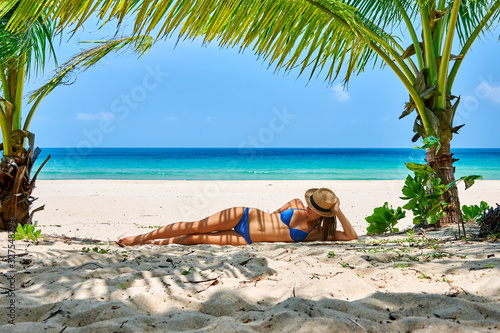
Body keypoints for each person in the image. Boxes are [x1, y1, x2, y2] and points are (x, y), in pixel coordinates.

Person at [117, 188, 357, 247]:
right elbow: (272, 215)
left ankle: (156, 243)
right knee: (194, 226)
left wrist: (338, 211)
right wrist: (270, 220)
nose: (307, 206)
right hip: (243, 216)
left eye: (313, 207)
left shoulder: (319, 233)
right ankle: (139, 238)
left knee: (195, 239)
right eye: (309, 202)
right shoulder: (296, 204)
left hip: (247, 241)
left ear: (324, 214)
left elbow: (351, 236)